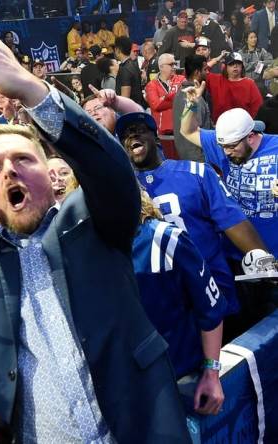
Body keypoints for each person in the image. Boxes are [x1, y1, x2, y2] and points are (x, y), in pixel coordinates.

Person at [0, 20, 190, 442]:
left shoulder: (92, 220)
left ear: (51, 172)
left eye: (23, 159)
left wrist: (26, 85)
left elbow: (113, 176)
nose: (9, 171)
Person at [116, 111, 268, 320]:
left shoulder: (198, 172)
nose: (132, 136)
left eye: (139, 130)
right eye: (125, 135)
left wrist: (262, 258)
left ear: (156, 137)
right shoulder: (122, 188)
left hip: (212, 283)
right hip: (164, 296)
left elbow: (231, 219)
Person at [131, 193, 226, 415]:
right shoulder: (82, 250)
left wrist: (211, 371)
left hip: (176, 381)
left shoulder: (164, 239)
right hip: (121, 391)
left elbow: (210, 309)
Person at [180, 86, 278, 255]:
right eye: (222, 146)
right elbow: (187, 131)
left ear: (251, 136)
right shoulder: (225, 144)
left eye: (232, 147)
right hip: (235, 251)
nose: (226, 152)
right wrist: (191, 105)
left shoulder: (275, 147)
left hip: (273, 250)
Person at [173, 55, 212, 162]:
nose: (207, 72)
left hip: (189, 156)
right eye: (205, 70)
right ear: (197, 72)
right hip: (197, 158)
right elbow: (194, 129)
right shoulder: (192, 97)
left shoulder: (181, 93)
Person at [206, 52, 263, 122]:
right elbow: (201, 71)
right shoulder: (216, 80)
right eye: (231, 64)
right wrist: (217, 59)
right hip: (220, 126)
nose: (235, 66)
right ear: (225, 66)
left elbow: (257, 108)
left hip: (243, 127)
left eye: (238, 63)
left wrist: (249, 125)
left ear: (242, 66)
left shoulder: (249, 83)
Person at [145, 53, 186, 138]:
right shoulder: (151, 85)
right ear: (161, 67)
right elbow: (156, 105)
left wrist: (164, 98)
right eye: (171, 64)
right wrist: (175, 97)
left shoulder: (181, 79)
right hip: (162, 133)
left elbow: (185, 99)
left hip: (182, 130)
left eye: (175, 64)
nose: (174, 67)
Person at [114, 36, 146, 108]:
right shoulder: (134, 64)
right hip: (137, 106)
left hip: (130, 111)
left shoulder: (124, 68)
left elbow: (125, 98)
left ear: (118, 50)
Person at [239, 31, 273, 95]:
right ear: (246, 40)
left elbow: (270, 61)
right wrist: (255, 64)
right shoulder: (241, 52)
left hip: (259, 83)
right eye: (251, 37)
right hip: (245, 83)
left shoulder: (261, 51)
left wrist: (260, 63)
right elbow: (244, 66)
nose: (254, 39)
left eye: (255, 37)